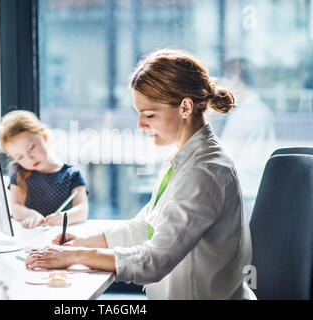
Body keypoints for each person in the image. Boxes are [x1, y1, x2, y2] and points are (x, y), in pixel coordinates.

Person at [24, 49, 255, 300]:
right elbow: (146, 227)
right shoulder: (184, 159)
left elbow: (154, 260)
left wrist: (73, 256)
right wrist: (83, 242)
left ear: (185, 107)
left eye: (149, 115)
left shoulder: (205, 172)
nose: (140, 125)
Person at [0, 110, 89, 229]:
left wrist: (64, 217)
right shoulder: (18, 171)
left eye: (31, 148)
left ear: (44, 136)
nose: (30, 158)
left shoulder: (72, 174)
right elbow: (16, 207)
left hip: (60, 238)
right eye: (20, 157)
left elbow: (82, 210)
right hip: (29, 235)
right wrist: (30, 214)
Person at [220, 58, 276, 219]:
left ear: (236, 78)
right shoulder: (258, 110)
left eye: (225, 77)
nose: (222, 83)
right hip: (252, 190)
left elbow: (223, 156)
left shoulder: (247, 114)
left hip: (246, 192)